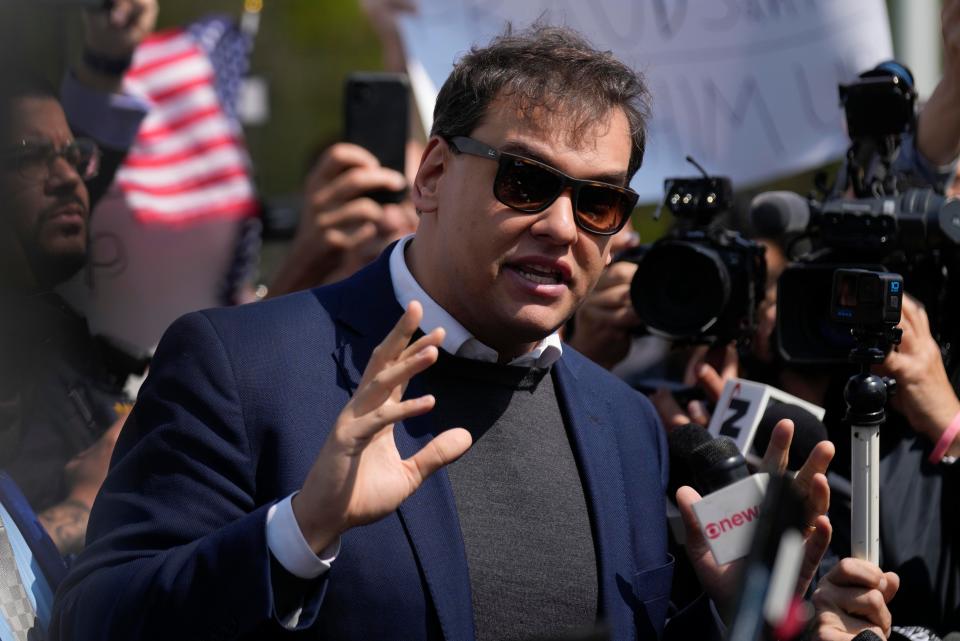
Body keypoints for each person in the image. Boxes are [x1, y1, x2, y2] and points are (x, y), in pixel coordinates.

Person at [51, 25, 869, 641]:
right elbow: (97, 619)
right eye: (525, 180)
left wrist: (748, 615)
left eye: (599, 202)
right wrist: (297, 534)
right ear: (434, 173)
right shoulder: (240, 364)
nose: (560, 226)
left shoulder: (624, 424)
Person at [0, 0, 156, 555]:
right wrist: (85, 507)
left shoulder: (55, 326)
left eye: (75, 155)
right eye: (28, 157)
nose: (69, 178)